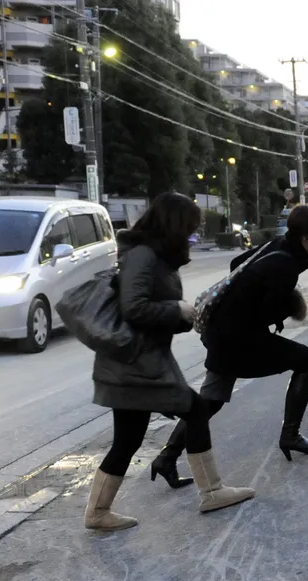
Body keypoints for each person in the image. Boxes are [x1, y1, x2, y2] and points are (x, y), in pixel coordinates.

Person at [86, 191, 254, 530]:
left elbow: (149, 311)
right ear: (176, 224)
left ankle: (97, 512)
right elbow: (133, 309)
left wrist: (184, 317)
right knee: (195, 409)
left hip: (135, 363)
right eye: (191, 227)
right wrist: (176, 309)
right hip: (137, 365)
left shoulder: (151, 255)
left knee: (128, 439)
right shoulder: (144, 256)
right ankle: (212, 491)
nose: (193, 234)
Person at [149, 203, 308, 488]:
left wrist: (253, 297)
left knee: (210, 401)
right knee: (306, 360)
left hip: (224, 333)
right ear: (306, 238)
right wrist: (281, 306)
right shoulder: (284, 265)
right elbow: (265, 312)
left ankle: (166, 458)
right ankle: (290, 436)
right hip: (238, 339)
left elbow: (238, 266)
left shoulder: (277, 246)